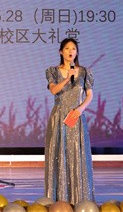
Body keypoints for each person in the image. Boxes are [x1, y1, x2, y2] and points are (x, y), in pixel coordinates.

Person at [45, 37, 95, 204]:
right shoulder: (53, 71)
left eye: (73, 48)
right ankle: (58, 200)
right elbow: (54, 90)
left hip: (76, 117)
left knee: (77, 156)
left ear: (77, 52)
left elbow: (89, 95)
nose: (70, 51)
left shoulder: (85, 72)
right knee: (59, 156)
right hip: (59, 118)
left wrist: (80, 109)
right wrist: (67, 78)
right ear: (61, 52)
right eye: (67, 48)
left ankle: (79, 199)